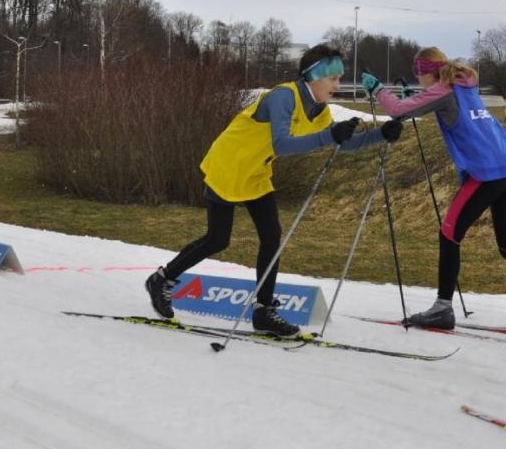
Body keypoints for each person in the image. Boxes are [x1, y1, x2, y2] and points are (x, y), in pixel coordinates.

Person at [145, 44, 402, 337]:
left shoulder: (319, 112)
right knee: (217, 239)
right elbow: (282, 143)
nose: (338, 85)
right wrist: (329, 136)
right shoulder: (284, 97)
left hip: (256, 173)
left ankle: (263, 310)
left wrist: (379, 135)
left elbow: (339, 143)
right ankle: (162, 279)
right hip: (229, 165)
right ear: (315, 76)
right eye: (334, 79)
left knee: (272, 237)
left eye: (340, 79)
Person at [361, 50, 506, 335]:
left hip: (486, 173)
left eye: (419, 73)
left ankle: (442, 307)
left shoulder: (444, 90)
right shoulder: (464, 85)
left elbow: (399, 111)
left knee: (449, 234)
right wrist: (412, 96)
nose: (417, 77)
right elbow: (424, 104)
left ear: (430, 71)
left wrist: (378, 90)